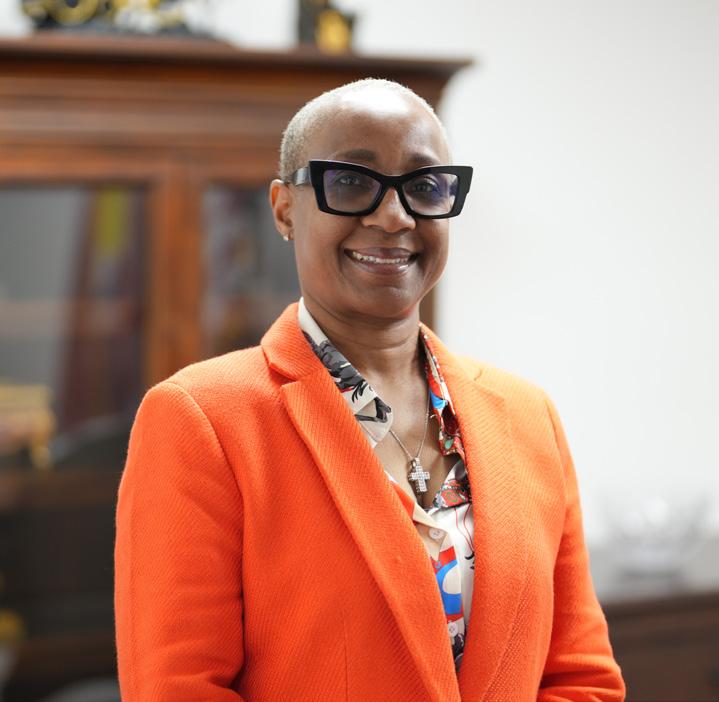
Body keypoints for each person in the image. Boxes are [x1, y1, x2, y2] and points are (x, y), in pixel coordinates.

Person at [114, 78, 625, 701]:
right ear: (284, 208)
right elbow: (178, 689)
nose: (394, 216)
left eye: (424, 186)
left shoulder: (527, 415)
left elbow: (581, 676)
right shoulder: (201, 420)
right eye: (352, 181)